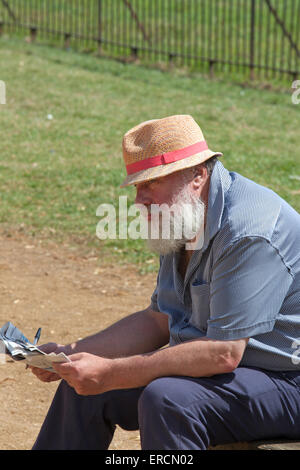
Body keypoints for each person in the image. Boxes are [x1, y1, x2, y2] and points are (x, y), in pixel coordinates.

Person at [31, 114, 300, 450]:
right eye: (138, 186)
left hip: (286, 382)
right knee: (82, 386)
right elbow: (157, 320)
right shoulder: (181, 214)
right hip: (225, 373)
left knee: (168, 399)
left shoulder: (250, 231)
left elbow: (223, 353)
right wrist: (72, 354)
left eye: (152, 183)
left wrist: (111, 373)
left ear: (198, 176)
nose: (140, 198)